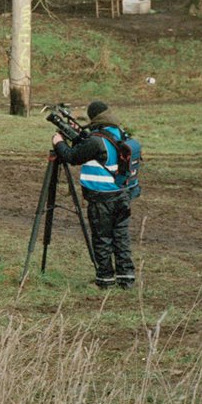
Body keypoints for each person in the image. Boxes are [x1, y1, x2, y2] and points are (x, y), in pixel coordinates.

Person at [54, 99, 137, 289]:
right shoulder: (119, 133)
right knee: (120, 236)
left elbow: (72, 156)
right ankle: (126, 278)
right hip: (123, 193)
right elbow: (91, 147)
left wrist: (58, 143)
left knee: (102, 238)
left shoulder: (95, 140)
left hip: (101, 198)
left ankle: (105, 280)